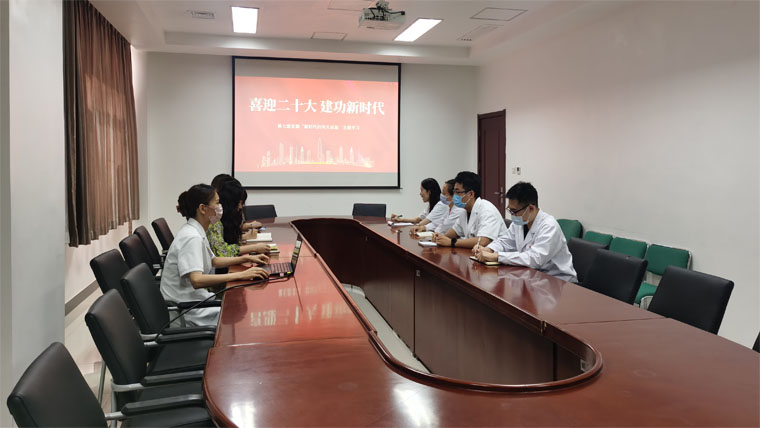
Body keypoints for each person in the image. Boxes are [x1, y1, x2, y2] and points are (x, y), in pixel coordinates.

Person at [160, 184, 269, 326]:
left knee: (238, 310)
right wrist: (241, 275)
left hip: (195, 301)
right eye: (217, 203)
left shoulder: (196, 230)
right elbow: (197, 280)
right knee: (238, 316)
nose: (220, 207)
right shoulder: (192, 237)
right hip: (185, 311)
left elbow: (214, 260)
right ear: (203, 209)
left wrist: (246, 258)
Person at [473, 182, 577, 282]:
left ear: (530, 208)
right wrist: (489, 249)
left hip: (558, 280)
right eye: (510, 210)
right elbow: (505, 241)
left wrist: (497, 256)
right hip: (532, 275)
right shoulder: (520, 222)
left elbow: (535, 259)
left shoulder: (549, 226)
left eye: (514, 211)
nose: (512, 215)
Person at [433, 171, 507, 249]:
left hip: (495, 254)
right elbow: (453, 232)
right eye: (454, 192)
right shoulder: (464, 211)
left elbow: (482, 241)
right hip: (475, 253)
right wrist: (439, 237)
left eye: (457, 192)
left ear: (471, 194)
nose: (454, 196)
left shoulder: (487, 210)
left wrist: (452, 242)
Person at [207, 180, 271, 257]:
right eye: (239, 203)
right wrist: (254, 248)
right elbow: (222, 252)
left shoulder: (228, 217)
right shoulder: (214, 221)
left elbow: (228, 240)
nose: (240, 206)